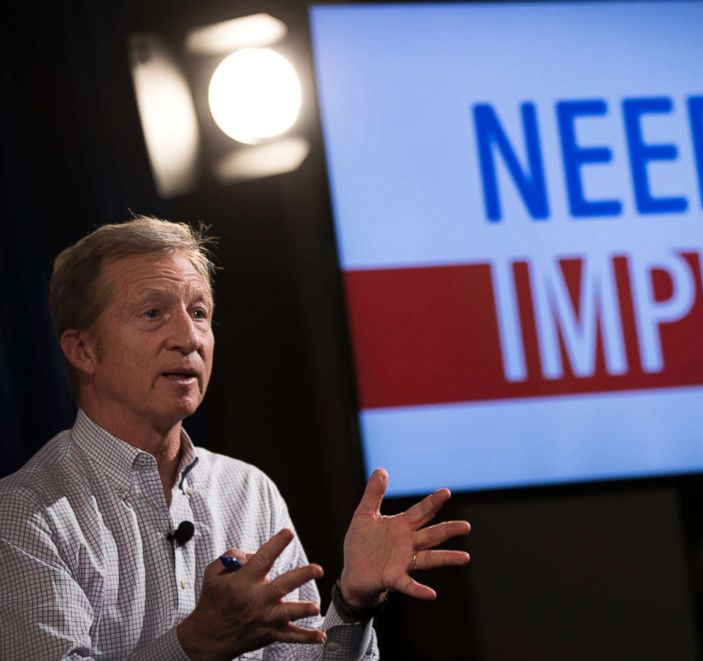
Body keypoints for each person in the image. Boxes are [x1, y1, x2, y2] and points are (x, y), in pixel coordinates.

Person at [0, 217, 471, 659]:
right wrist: (197, 644)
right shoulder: (23, 513)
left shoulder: (248, 491)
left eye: (199, 312)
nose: (189, 337)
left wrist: (351, 604)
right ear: (82, 349)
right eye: (152, 313)